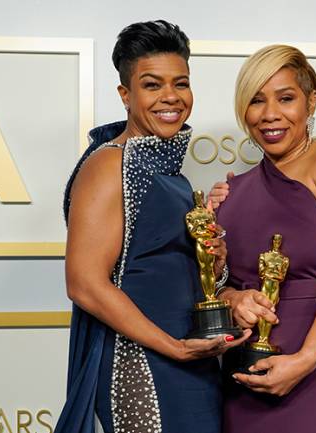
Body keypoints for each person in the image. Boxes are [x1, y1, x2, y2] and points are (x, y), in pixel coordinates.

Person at [54, 20, 249, 433]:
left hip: (192, 363)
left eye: (181, 83)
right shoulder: (109, 163)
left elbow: (161, 270)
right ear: (125, 95)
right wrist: (174, 349)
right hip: (139, 366)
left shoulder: (171, 172)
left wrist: (214, 266)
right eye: (152, 85)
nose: (171, 98)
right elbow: (85, 283)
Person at [211, 44, 316, 433]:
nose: (270, 114)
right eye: (256, 101)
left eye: (285, 98)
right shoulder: (234, 190)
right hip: (246, 383)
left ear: (312, 100)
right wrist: (233, 299)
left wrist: (306, 358)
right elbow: (219, 286)